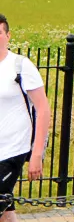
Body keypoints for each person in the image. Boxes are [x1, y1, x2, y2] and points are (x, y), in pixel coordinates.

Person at [0, 14, 52, 222]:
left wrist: (37, 153)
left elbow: (43, 108)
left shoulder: (20, 66)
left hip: (13, 149)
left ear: (8, 36)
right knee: (6, 211)